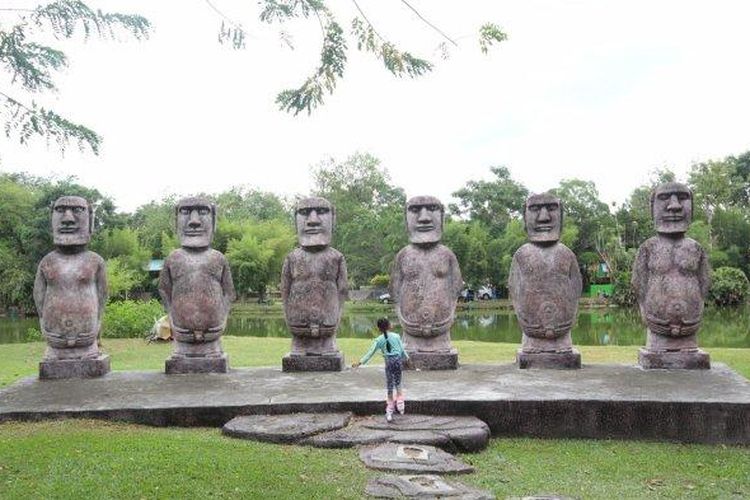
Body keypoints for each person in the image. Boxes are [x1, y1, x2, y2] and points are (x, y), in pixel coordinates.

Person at [352, 318, 409, 422]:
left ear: (378, 329)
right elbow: (401, 350)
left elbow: (370, 353)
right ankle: (401, 407)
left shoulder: (378, 340)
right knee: (398, 383)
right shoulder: (396, 336)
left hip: (389, 363)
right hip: (398, 362)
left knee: (390, 386)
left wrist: (360, 362)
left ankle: (389, 412)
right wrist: (408, 359)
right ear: (389, 326)